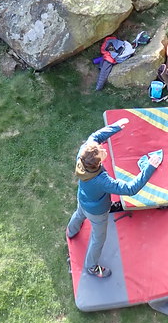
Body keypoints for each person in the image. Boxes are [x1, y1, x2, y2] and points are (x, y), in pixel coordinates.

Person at [66, 118, 162, 278]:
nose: (103, 151)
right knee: (98, 238)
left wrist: (116, 126)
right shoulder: (101, 181)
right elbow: (131, 188)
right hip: (97, 212)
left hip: (83, 198)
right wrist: (150, 167)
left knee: (79, 214)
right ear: (96, 164)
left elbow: (95, 137)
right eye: (101, 154)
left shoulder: (83, 154)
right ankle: (91, 267)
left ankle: (71, 231)